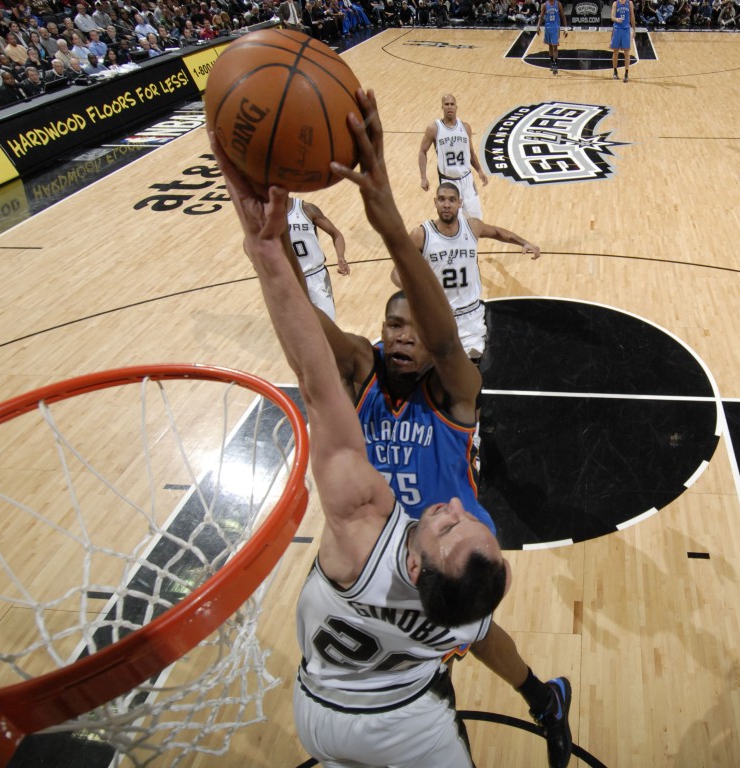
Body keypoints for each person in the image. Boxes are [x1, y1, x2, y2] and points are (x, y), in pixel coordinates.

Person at [217, 87, 573, 768]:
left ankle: (537, 693)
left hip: (445, 539)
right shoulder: (362, 368)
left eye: (414, 324)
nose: (402, 336)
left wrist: (388, 227)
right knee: (440, 640)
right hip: (380, 548)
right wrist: (272, 247)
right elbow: (312, 338)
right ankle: (533, 694)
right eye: (392, 324)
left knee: (472, 632)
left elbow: (446, 344)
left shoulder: (455, 390)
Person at [390, 182, 540, 360]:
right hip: (439, 316)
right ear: (435, 202)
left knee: (471, 371)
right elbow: (396, 273)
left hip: (471, 315)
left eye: (452, 200)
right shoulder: (421, 235)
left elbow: (498, 232)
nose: (447, 204)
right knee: (437, 371)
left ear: (460, 203)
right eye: (442, 199)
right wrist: (416, 291)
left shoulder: (472, 226)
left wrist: (523, 242)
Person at [418, 93, 489, 219]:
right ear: (442, 107)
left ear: (456, 107)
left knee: (476, 219)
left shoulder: (465, 127)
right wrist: (423, 177)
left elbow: (471, 153)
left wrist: (479, 170)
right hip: (448, 181)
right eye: (446, 104)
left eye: (452, 104)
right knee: (454, 222)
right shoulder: (434, 128)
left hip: (467, 180)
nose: (449, 107)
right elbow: (422, 151)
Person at [286, 196, 350, 322]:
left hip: (316, 277)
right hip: (290, 280)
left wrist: (341, 256)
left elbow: (336, 234)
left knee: (328, 323)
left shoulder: (306, 209)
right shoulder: (266, 217)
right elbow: (248, 244)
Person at [537, 0, 566, 75]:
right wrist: (538, 26)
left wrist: (565, 29)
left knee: (555, 46)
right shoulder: (545, 5)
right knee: (550, 46)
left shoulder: (558, 4)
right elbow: (541, 16)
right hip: (548, 28)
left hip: (556, 28)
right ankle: (552, 62)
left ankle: (556, 65)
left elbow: (563, 16)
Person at [610, 0, 635, 82]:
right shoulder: (615, 3)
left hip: (626, 30)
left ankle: (626, 74)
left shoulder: (629, 3)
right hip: (617, 29)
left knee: (627, 52)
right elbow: (612, 17)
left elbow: (632, 16)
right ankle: (615, 72)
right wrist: (617, 19)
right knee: (615, 51)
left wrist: (634, 29)